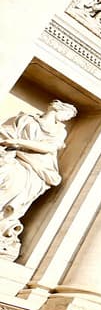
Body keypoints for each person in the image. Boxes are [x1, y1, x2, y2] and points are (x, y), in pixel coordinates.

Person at [0, 99, 77, 260]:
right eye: (67, 115)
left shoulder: (59, 131)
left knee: (16, 182)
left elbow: (49, 148)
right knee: (6, 172)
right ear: (57, 109)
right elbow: (5, 132)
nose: (66, 119)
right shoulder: (25, 118)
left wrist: (18, 142)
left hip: (37, 168)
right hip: (13, 156)